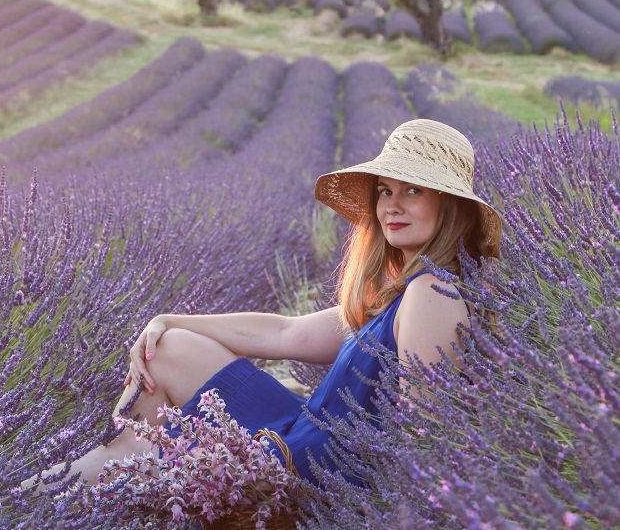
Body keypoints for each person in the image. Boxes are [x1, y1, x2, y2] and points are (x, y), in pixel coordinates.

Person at [28, 118, 502, 488]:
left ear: (450, 205)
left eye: (413, 191)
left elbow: (426, 438)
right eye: (385, 190)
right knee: (166, 348)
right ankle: (94, 477)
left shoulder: (431, 294)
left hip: (308, 474)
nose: (391, 206)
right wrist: (163, 318)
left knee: (143, 460)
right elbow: (284, 333)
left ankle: (39, 494)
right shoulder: (402, 292)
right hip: (301, 434)